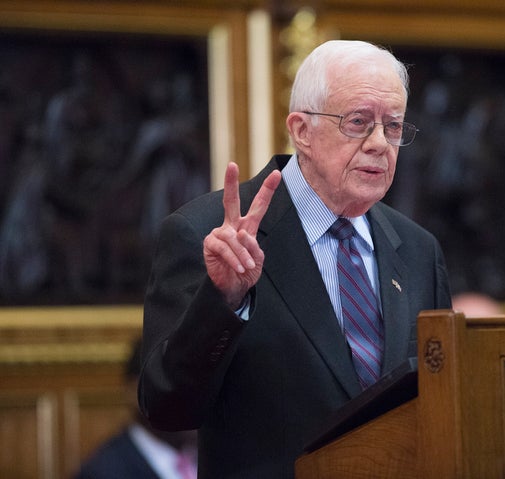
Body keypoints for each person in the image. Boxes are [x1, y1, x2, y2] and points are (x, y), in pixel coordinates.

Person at [138, 40, 452, 478]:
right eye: (358, 122)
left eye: (393, 126)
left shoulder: (417, 249)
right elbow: (167, 407)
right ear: (302, 130)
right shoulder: (207, 233)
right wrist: (223, 303)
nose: (380, 143)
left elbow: (441, 400)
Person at [75, 338, 197, 479]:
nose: (199, 398)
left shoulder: (210, 459)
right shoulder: (103, 473)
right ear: (136, 391)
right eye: (182, 384)